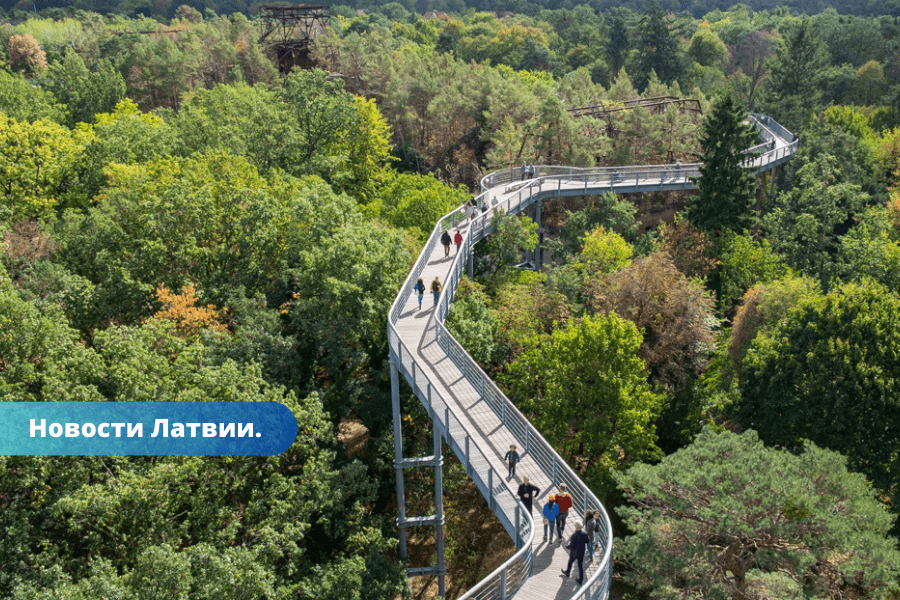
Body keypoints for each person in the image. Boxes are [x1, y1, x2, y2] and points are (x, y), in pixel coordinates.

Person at [560, 521, 590, 586]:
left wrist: (567, 547)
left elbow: (571, 545)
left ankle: (567, 572)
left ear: (575, 527)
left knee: (570, 562)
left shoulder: (574, 535)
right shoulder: (585, 533)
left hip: (574, 552)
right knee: (580, 566)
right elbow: (587, 541)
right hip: (581, 552)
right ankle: (580, 580)